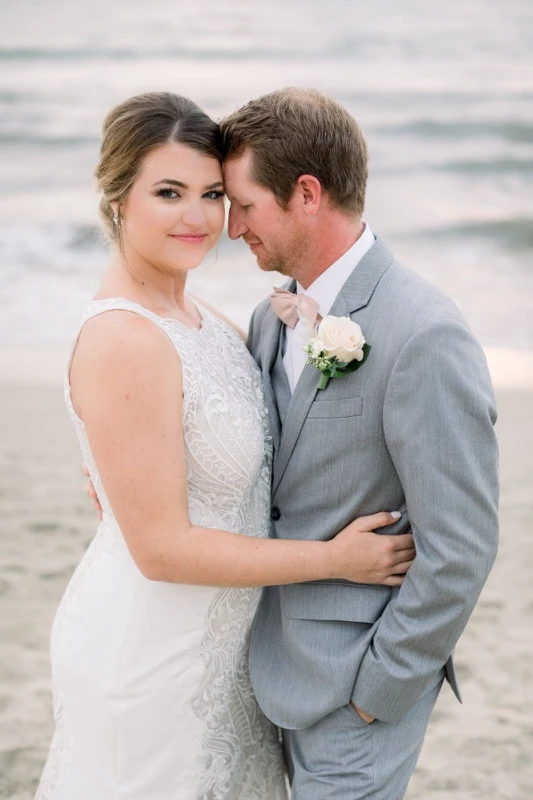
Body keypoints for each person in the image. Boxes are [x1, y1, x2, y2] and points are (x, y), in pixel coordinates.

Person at [35, 92, 415, 800]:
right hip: (151, 654)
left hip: (226, 656)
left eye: (213, 194)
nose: (199, 217)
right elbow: (161, 549)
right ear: (118, 197)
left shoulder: (207, 319)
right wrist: (334, 561)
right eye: (169, 192)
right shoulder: (124, 338)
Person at [216, 88, 499, 799]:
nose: (229, 227)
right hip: (259, 665)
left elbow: (460, 542)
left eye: (243, 204)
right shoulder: (267, 315)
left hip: (355, 687)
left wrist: (381, 688)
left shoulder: (423, 331)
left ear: (305, 193)